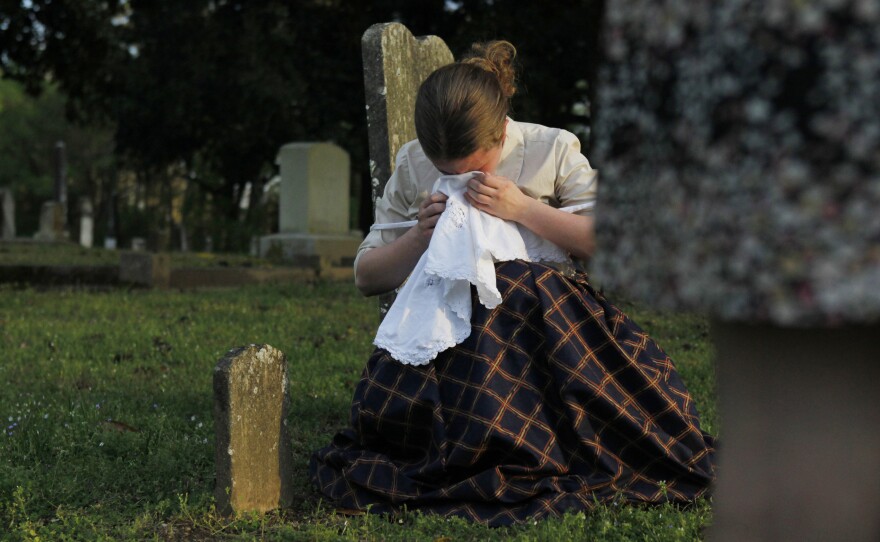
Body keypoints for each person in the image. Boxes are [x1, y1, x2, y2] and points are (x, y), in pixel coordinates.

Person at [309, 40, 715, 526]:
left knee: (517, 282)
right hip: (449, 341)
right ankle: (478, 443)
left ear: (502, 132)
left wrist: (525, 210)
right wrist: (420, 236)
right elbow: (366, 276)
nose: (460, 180)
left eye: (474, 169)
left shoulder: (553, 148)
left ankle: (526, 439)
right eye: (446, 173)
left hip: (552, 336)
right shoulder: (413, 161)